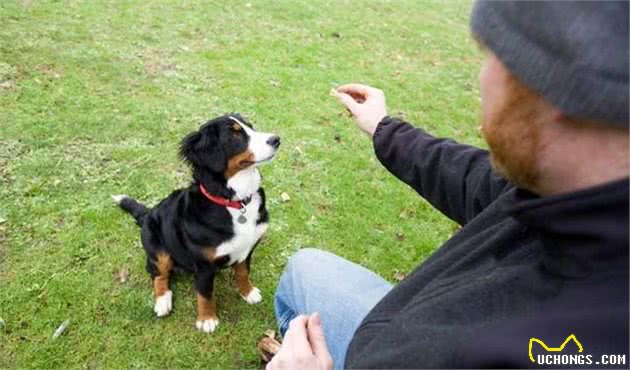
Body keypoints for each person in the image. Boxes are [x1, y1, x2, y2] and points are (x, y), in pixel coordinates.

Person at [266, 1, 629, 369]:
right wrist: (383, 127)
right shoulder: (578, 193)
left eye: (493, 58)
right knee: (304, 268)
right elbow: (478, 181)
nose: (482, 79)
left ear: (556, 92)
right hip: (393, 332)